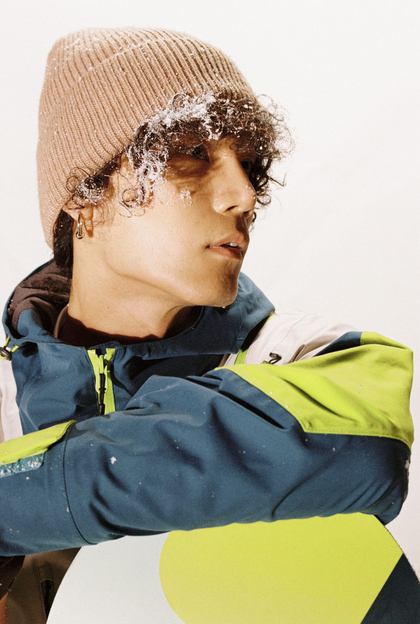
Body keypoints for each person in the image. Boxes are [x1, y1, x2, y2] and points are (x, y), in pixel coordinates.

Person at [0, 27, 414, 620]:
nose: (243, 195)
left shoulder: (311, 358)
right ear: (83, 195)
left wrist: (19, 494)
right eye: (192, 152)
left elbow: (366, 451)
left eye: (250, 164)